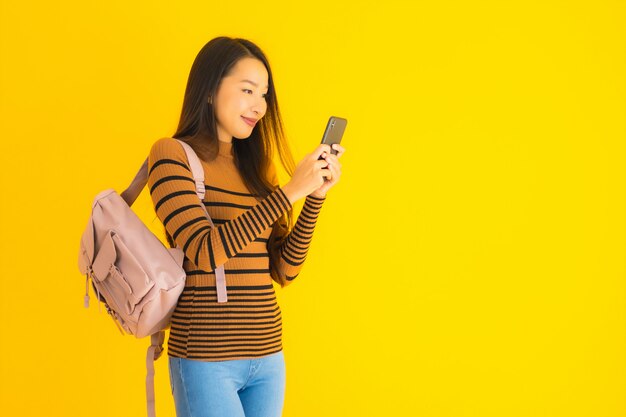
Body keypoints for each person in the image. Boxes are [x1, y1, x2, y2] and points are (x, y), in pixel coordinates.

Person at [146, 36, 345, 417]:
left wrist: (314, 197)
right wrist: (289, 193)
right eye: (248, 90)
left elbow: (285, 270)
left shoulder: (257, 170)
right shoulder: (171, 155)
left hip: (268, 356)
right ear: (209, 90)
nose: (259, 106)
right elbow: (204, 252)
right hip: (206, 358)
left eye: (264, 94)